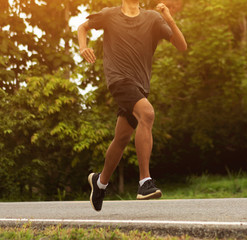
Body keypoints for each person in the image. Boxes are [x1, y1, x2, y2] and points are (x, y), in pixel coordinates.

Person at [77, 0, 187, 211]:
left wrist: (170, 19)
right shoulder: (109, 15)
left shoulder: (153, 19)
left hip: (140, 86)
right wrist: (83, 47)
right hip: (118, 80)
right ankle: (145, 182)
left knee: (122, 138)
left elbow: (181, 45)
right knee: (147, 113)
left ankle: (100, 183)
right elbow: (82, 27)